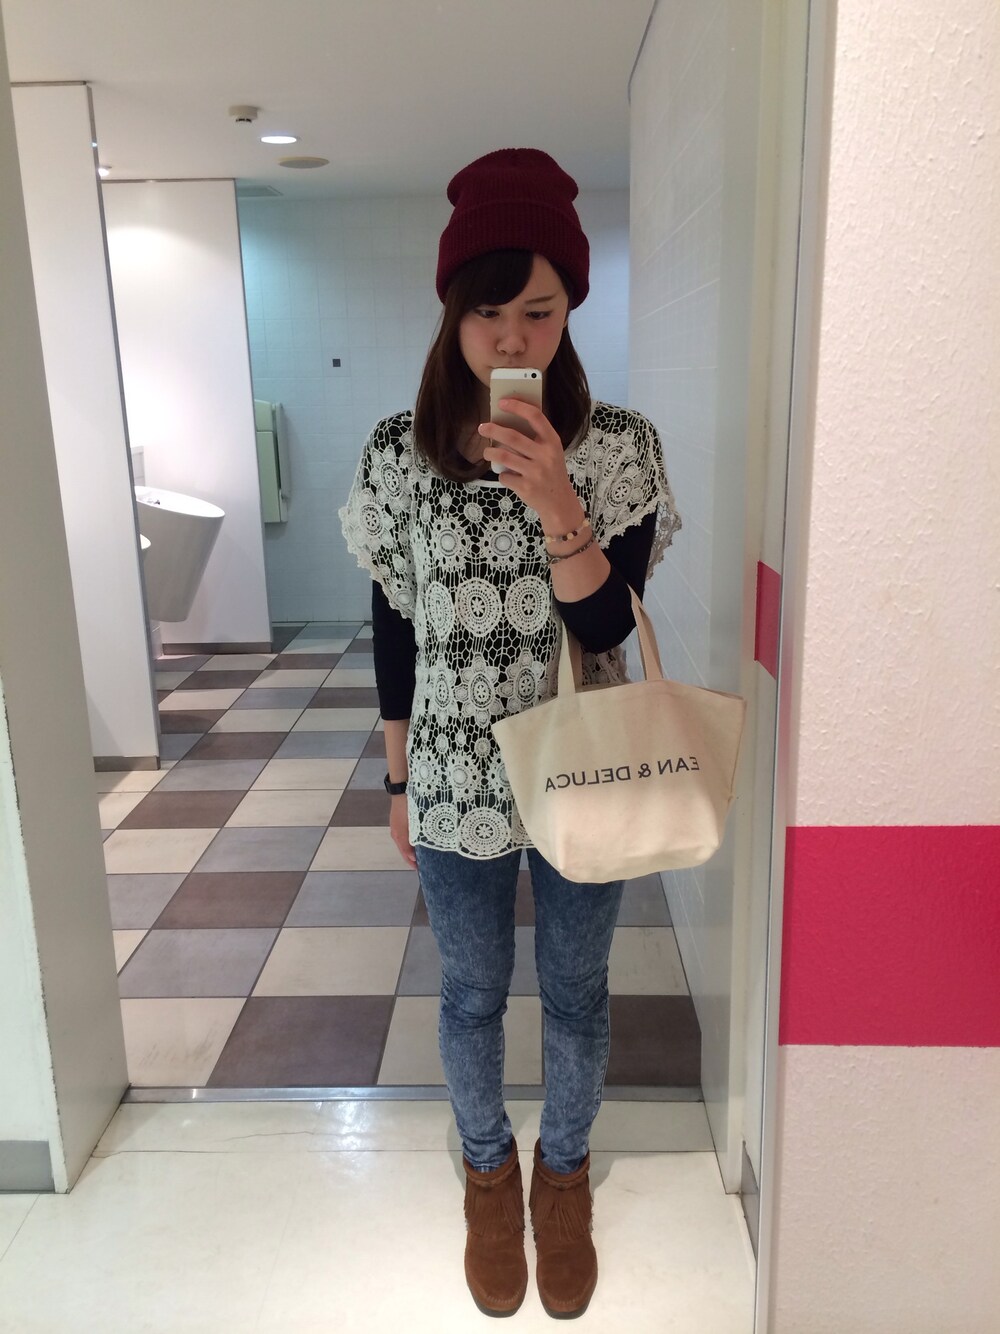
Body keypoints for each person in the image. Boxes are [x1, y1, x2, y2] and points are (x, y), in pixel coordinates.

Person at [340, 147, 680, 1319]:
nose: (510, 337)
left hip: (587, 765)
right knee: (472, 991)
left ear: (571, 305)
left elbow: (606, 624)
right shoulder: (396, 453)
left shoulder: (619, 447)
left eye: (537, 308)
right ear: (452, 310)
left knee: (577, 990)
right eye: (486, 312)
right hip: (449, 773)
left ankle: (563, 1171)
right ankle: (489, 1172)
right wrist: (395, 780)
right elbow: (393, 625)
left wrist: (559, 504)